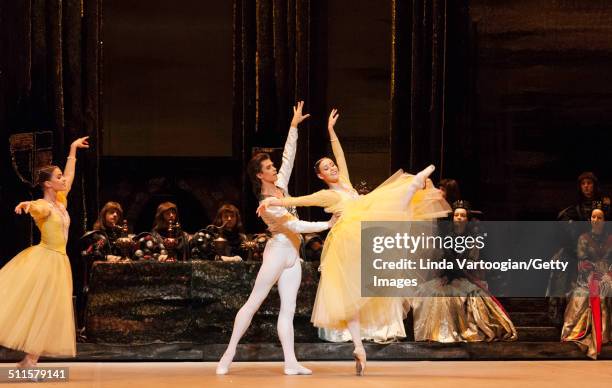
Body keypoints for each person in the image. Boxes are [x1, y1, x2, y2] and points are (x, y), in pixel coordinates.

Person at [258, 109, 450, 375]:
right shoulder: (327, 195)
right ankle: (412, 186)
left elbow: (341, 156)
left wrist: (331, 132)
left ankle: (359, 348)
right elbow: (298, 201)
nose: (332, 167)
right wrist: (274, 200)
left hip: (364, 232)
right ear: (321, 176)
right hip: (348, 240)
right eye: (326, 167)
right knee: (380, 207)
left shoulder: (346, 182)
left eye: (331, 165)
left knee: (356, 292)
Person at [216, 101, 337, 376]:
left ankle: (290, 362)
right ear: (260, 175)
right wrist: (327, 223)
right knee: (254, 301)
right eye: (268, 167)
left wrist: (293, 126)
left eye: (272, 165)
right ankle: (229, 352)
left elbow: (289, 157)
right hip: (278, 250)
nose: (273, 168)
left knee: (289, 309)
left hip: (293, 254)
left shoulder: (281, 187)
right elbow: (293, 224)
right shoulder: (266, 201)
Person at [0, 136, 89, 367]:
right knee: (36, 307)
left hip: (60, 262)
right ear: (48, 184)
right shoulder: (45, 206)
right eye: (57, 177)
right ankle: (29, 361)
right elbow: (37, 207)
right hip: (45, 260)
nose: (62, 180)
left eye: (60, 176)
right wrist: (27, 205)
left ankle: (30, 360)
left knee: (49, 312)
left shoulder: (60, 201)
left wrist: (72, 150)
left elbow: (69, 177)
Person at [410, 200, 517, 343]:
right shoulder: (445, 237)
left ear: (467, 219)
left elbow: (469, 262)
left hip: (464, 277)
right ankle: (433, 332)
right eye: (456, 215)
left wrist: (454, 274)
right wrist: (446, 274)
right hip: (447, 276)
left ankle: (458, 330)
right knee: (426, 291)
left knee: (457, 296)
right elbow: (441, 259)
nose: (459, 217)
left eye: (462, 215)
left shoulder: (473, 239)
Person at [561, 202, 612, 359]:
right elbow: (582, 262)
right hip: (588, 277)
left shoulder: (611, 239)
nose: (596, 220)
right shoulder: (583, 238)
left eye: (600, 217)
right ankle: (599, 335)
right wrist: (594, 275)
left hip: (608, 275)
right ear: (590, 220)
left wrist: (609, 274)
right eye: (593, 217)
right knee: (595, 294)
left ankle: (606, 335)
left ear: (604, 220)